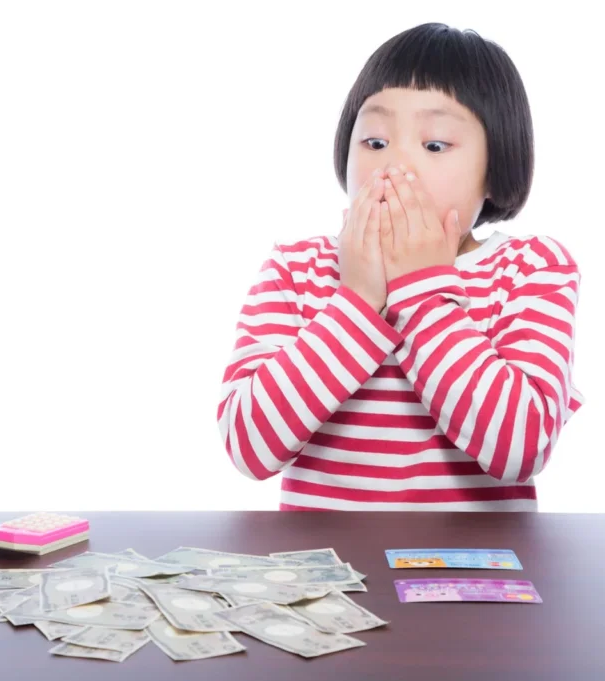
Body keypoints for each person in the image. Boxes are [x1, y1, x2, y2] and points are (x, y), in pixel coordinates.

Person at [216, 22, 583, 511]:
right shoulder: (297, 269)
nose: (394, 167)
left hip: (471, 560)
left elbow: (521, 448)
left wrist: (421, 288)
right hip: (331, 562)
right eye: (374, 142)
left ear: (495, 170)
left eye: (435, 146)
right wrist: (357, 300)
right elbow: (249, 448)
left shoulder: (530, 269)